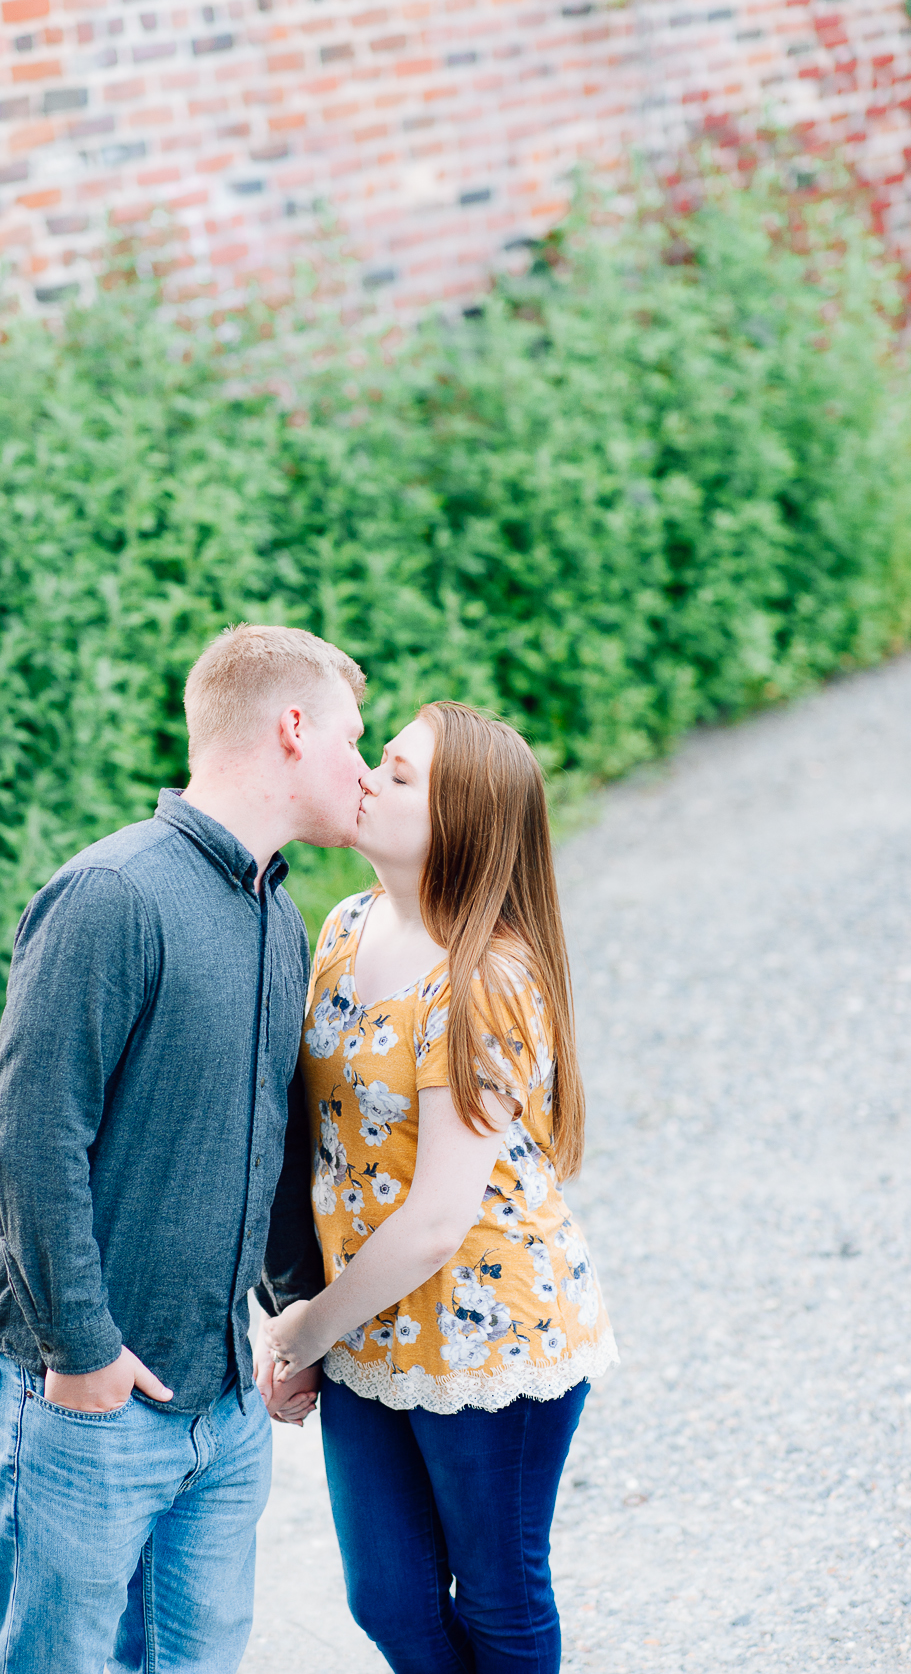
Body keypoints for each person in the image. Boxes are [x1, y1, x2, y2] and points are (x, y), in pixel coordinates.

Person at [0, 623, 366, 1674]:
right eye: (351, 742)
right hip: (78, 1391)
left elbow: (265, 1145)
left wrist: (293, 1320)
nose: (359, 772)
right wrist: (82, 1353)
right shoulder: (112, 893)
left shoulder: (281, 913)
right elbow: (31, 1144)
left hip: (218, 1409)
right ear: (291, 727)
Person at [262, 701, 618, 1674]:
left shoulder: (489, 980)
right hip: (367, 1327)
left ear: (459, 823)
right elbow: (308, 1149)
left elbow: (433, 1222)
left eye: (401, 773)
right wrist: (305, 1311)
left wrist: (304, 1331)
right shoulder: (343, 925)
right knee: (388, 1598)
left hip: (489, 1331)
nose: (369, 776)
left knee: (498, 1600)